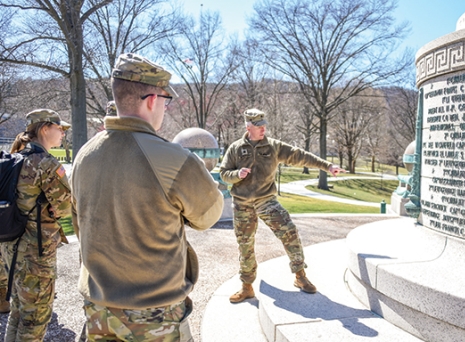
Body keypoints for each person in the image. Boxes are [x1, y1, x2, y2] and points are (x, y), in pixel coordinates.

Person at [70, 53, 224, 341]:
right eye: (165, 101)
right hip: (155, 317)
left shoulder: (84, 156)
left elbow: (80, 225)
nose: (164, 108)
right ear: (152, 99)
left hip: (98, 311)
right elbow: (209, 216)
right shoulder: (174, 159)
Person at [220, 108, 345, 303]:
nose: (263, 129)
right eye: (259, 126)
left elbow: (300, 155)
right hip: (243, 204)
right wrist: (236, 175)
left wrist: (327, 166)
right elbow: (224, 173)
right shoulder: (236, 148)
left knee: (290, 232)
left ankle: (300, 276)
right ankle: (246, 287)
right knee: (245, 245)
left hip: (266, 201)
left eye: (264, 125)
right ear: (248, 127)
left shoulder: (274, 147)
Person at [0, 109, 71, 340]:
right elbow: (64, 209)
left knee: (19, 312)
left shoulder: (15, 159)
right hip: (36, 254)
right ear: (44, 128)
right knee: (36, 318)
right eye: (59, 128)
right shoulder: (46, 164)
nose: (62, 134)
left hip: (11, 247)